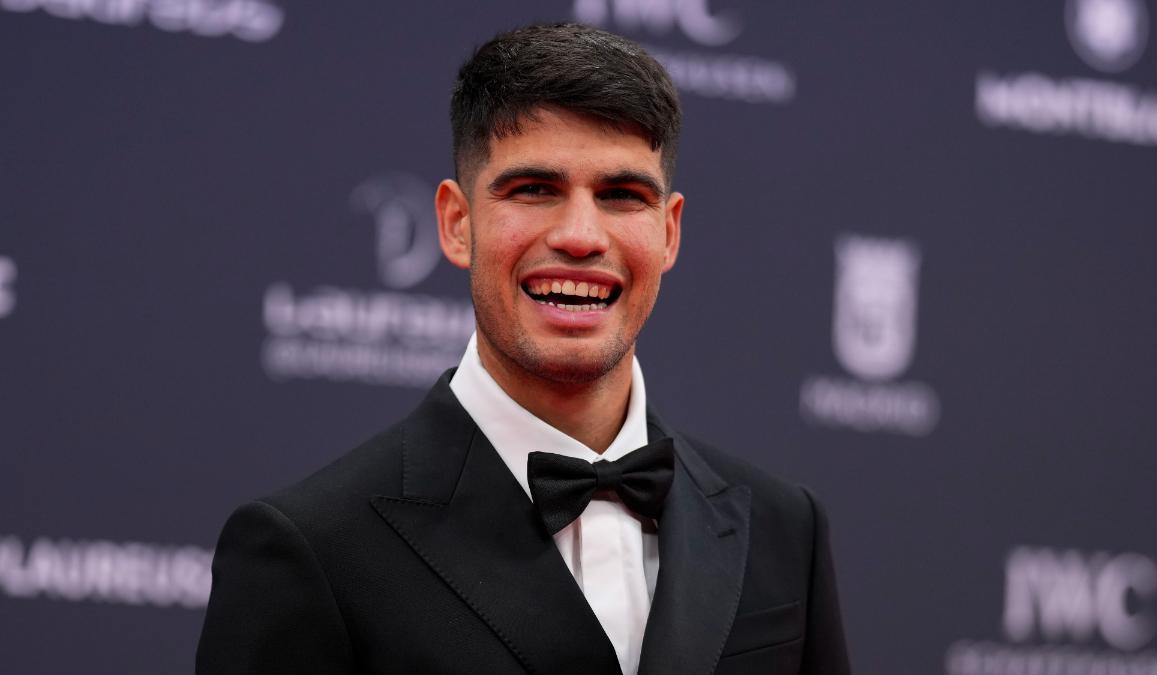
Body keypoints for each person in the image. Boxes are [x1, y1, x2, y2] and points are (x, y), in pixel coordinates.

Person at [196, 22, 850, 675]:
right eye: (535, 189)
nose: (580, 235)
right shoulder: (313, 547)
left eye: (622, 195)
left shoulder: (784, 530)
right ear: (457, 223)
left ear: (669, 231)